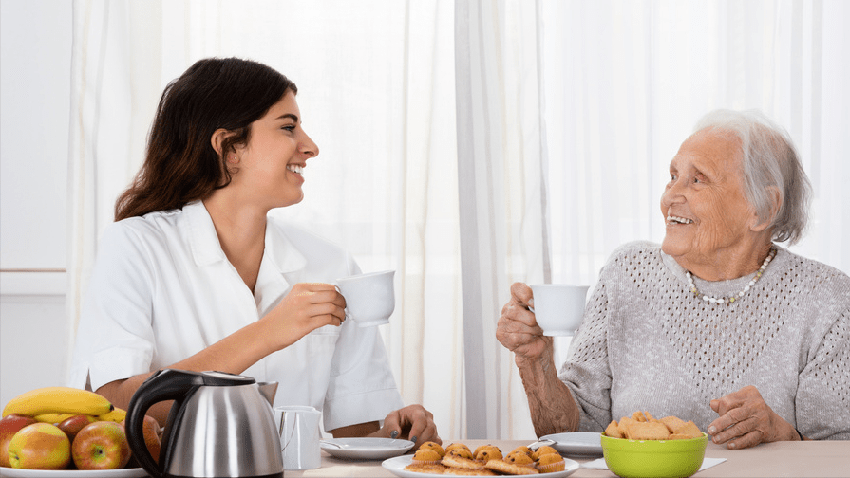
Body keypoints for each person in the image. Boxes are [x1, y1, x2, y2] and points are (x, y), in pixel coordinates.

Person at [68, 57, 440, 447]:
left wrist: (399, 431)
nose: (309, 146)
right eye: (287, 127)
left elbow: (356, 432)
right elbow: (111, 405)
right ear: (229, 147)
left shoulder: (331, 264)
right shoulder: (135, 245)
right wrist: (268, 333)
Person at [497, 109, 850, 449]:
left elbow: (839, 453)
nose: (670, 197)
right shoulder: (628, 272)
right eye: (672, 176)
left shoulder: (825, 298)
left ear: (762, 209)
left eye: (698, 179)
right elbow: (569, 433)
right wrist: (535, 363)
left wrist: (781, 435)